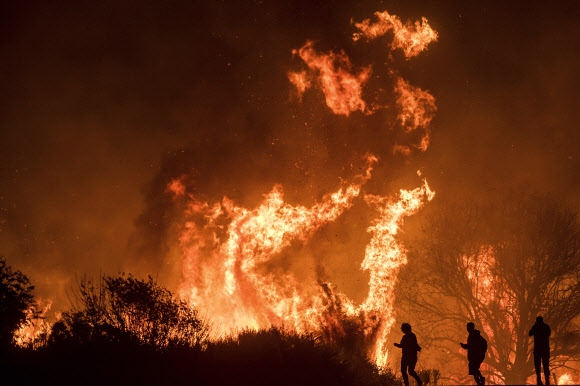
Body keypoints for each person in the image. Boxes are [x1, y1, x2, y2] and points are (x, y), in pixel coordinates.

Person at [460, 322, 487, 386]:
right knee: (474, 370)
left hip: (475, 356)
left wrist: (464, 346)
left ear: (470, 328)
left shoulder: (473, 335)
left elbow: (471, 345)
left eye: (468, 327)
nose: (467, 329)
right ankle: (480, 381)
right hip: (476, 356)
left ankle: (480, 381)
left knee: (474, 370)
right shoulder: (475, 335)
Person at [529, 316, 551, 385]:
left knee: (537, 366)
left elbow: (529, 333)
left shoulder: (535, 327)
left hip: (537, 350)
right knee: (546, 365)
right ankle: (547, 380)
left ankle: (539, 381)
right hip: (545, 349)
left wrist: (535, 326)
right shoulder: (546, 327)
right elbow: (549, 334)